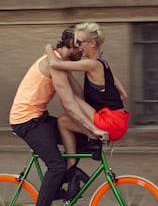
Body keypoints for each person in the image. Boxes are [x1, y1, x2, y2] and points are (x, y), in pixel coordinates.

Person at [9, 26, 108, 206]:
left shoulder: (61, 64)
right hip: (25, 121)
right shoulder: (53, 64)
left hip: (39, 117)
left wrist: (94, 128)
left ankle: (67, 177)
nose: (82, 51)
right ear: (71, 45)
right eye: (79, 47)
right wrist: (92, 127)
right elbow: (69, 104)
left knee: (81, 141)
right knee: (55, 166)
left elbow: (79, 97)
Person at [45, 22, 129, 173]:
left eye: (80, 42)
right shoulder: (104, 64)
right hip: (118, 121)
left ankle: (94, 137)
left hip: (109, 123)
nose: (78, 46)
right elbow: (124, 95)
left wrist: (48, 48)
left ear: (92, 43)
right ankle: (71, 168)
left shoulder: (91, 64)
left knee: (68, 99)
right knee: (63, 121)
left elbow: (54, 64)